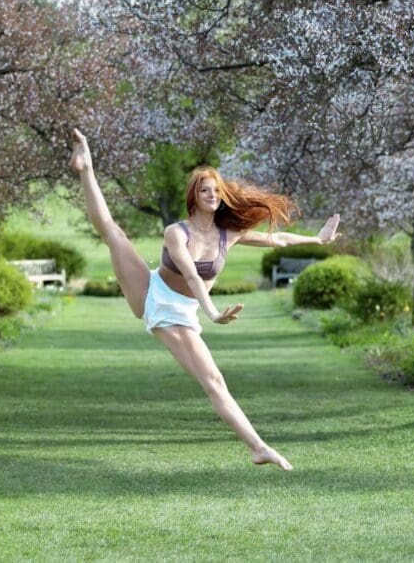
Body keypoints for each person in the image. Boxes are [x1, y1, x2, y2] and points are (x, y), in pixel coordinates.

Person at [70, 129, 340, 471]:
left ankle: (258, 447)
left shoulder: (230, 234)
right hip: (157, 301)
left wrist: (317, 239)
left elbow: (279, 239)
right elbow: (193, 276)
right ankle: (86, 167)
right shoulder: (176, 232)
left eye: (215, 189)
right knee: (114, 232)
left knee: (215, 381)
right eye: (204, 190)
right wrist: (212, 313)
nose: (212, 194)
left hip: (183, 311)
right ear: (194, 196)